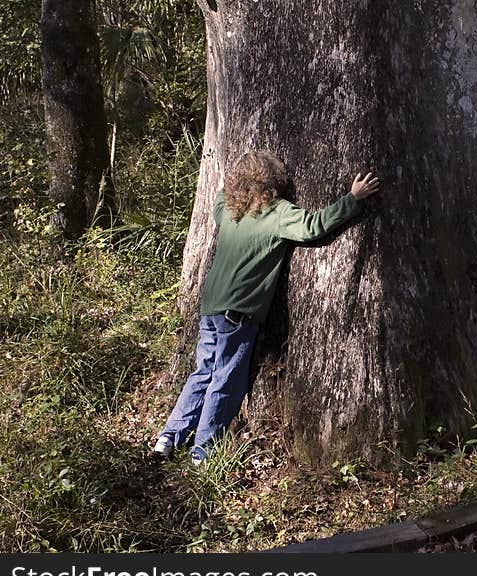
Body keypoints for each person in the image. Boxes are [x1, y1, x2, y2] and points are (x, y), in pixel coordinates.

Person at [152, 150, 381, 465]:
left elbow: (220, 198)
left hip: (211, 309)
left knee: (203, 372)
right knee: (225, 380)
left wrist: (230, 180)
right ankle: (202, 452)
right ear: (273, 182)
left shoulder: (229, 212)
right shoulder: (277, 213)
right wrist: (352, 199)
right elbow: (313, 226)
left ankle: (168, 438)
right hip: (239, 312)